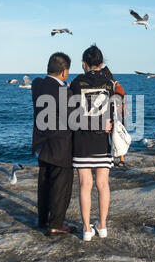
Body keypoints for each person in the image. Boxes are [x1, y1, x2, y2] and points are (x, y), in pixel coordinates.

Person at [70, 45, 114, 242]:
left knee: (85, 184)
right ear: (102, 64)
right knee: (103, 184)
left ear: (83, 64)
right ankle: (102, 226)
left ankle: (87, 229)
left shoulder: (77, 83)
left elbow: (71, 113)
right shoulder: (109, 83)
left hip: (82, 139)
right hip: (103, 138)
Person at [31, 52, 76, 236]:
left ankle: (43, 220)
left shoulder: (37, 85)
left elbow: (37, 81)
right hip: (60, 144)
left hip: (41, 143)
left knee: (44, 182)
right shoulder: (63, 92)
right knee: (61, 185)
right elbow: (74, 118)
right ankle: (56, 224)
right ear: (64, 71)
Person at [101, 66, 128, 167]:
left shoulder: (115, 85)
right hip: (113, 113)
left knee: (118, 135)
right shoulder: (112, 84)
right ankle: (115, 157)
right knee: (112, 135)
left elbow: (121, 97)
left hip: (117, 114)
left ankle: (122, 158)